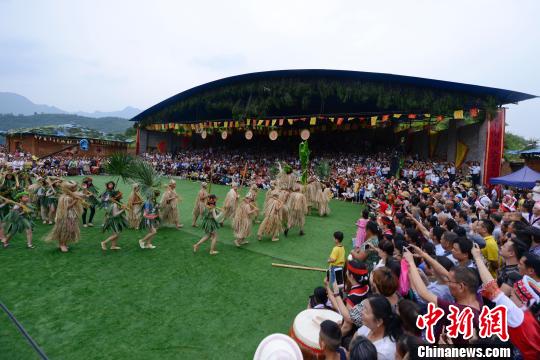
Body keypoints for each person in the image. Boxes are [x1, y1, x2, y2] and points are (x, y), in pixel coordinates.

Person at [472, 244, 540, 360]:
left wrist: (477, 257)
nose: (510, 296)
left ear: (524, 301)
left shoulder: (519, 317)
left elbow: (491, 287)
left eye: (513, 294)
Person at [355, 295, 402, 360]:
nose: (362, 312)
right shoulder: (367, 327)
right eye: (363, 308)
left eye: (366, 311)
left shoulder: (383, 352)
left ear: (379, 321)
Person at [45, 181, 85, 253]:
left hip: (72, 215)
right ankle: (62, 244)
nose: (76, 188)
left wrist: (82, 193)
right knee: (64, 230)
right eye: (74, 187)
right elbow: (67, 207)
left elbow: (82, 195)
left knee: (70, 230)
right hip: (66, 216)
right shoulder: (65, 197)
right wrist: (75, 200)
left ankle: (64, 243)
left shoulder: (72, 195)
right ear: (69, 188)